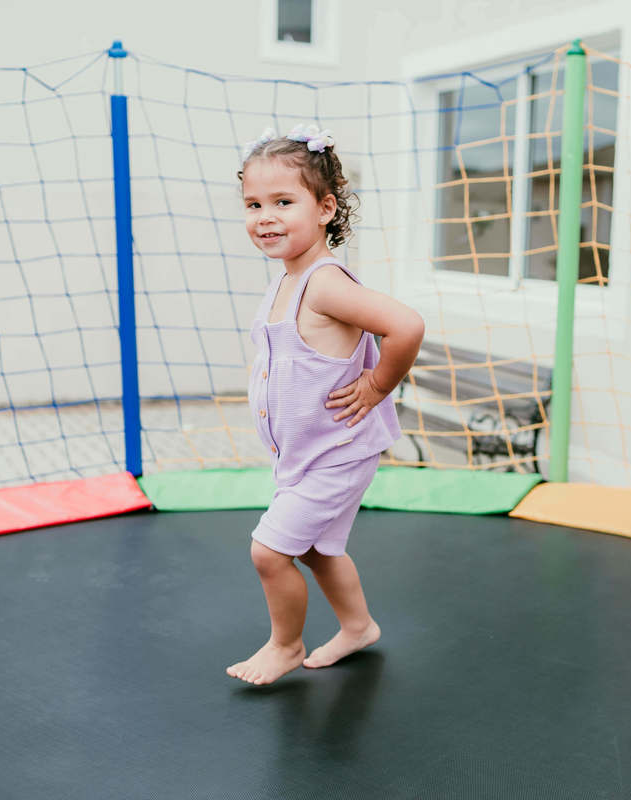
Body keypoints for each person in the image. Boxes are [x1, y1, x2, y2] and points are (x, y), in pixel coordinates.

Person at [226, 124, 425, 686]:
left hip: (338, 452)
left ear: (325, 209)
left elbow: (407, 325)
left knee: (269, 552)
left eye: (283, 202)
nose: (265, 217)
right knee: (315, 550)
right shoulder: (284, 282)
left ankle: (285, 645)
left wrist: (378, 385)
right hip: (306, 452)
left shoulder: (323, 283)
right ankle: (358, 627)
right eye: (254, 205)